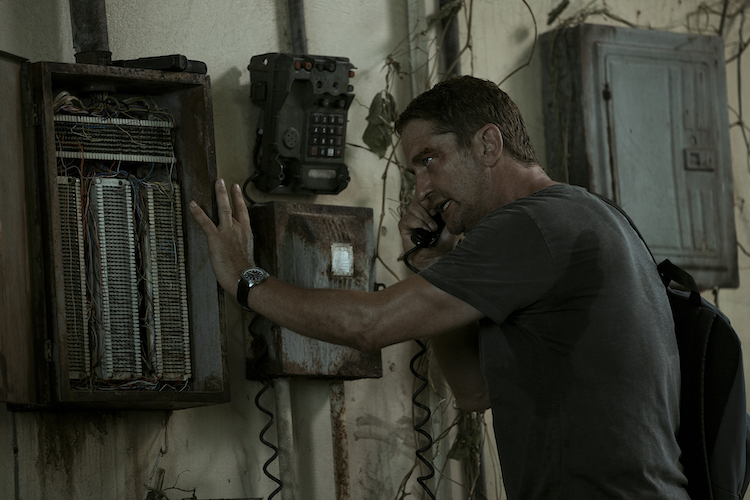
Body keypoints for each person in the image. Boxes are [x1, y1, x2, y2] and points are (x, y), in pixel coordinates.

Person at [189, 76, 689, 499]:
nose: (421, 188)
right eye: (413, 170)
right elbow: (473, 392)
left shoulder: (533, 224)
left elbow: (371, 324)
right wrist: (431, 262)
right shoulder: (579, 214)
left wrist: (245, 279)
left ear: (489, 145)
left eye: (430, 160)